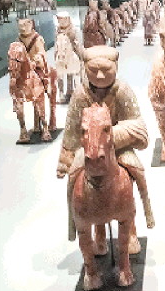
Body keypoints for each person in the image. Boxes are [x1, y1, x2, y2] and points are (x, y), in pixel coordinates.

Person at [56, 45, 155, 242]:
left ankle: (139, 218)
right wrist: (66, 157)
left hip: (117, 147)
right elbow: (72, 130)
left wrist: (109, 137)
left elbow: (137, 125)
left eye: (105, 70)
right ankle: (77, 224)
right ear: (85, 68)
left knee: (137, 170)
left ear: (115, 66)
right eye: (94, 70)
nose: (100, 76)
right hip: (88, 150)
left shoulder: (122, 91)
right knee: (73, 178)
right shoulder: (80, 95)